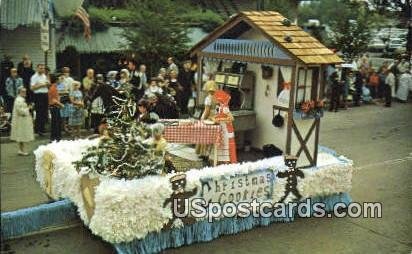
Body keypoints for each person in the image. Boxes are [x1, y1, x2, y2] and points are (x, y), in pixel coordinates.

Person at [196, 80, 218, 161]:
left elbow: (206, 110)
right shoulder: (217, 97)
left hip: (209, 118)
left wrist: (202, 118)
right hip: (216, 118)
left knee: (204, 135)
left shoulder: (208, 98)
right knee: (213, 136)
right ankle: (210, 154)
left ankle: (204, 154)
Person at [214, 90, 237, 164]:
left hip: (227, 129)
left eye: (216, 98)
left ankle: (228, 162)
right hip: (223, 129)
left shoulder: (225, 107)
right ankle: (225, 162)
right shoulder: (220, 107)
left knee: (227, 146)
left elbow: (231, 118)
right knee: (224, 146)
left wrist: (220, 119)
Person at [10, 87, 34, 155]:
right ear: (19, 92)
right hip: (20, 120)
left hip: (22, 120)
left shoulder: (21, 99)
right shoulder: (19, 100)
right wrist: (29, 108)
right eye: (23, 92)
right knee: (21, 135)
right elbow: (20, 111)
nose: (25, 93)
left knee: (21, 135)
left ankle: (21, 150)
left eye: (25, 91)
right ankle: (21, 150)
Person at [30, 64, 49, 135]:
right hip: (38, 95)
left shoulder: (44, 76)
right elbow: (32, 88)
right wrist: (42, 85)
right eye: (40, 68)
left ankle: (42, 128)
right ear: (37, 69)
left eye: (43, 68)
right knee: (39, 112)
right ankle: (38, 129)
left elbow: (46, 84)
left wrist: (47, 84)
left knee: (44, 112)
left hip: (45, 94)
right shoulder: (34, 77)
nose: (42, 70)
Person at [48, 74, 64, 141]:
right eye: (59, 79)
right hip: (54, 107)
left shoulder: (54, 87)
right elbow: (54, 100)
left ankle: (54, 138)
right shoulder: (53, 88)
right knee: (56, 123)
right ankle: (56, 138)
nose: (61, 80)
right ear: (56, 80)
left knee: (55, 123)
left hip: (54, 107)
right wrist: (61, 105)